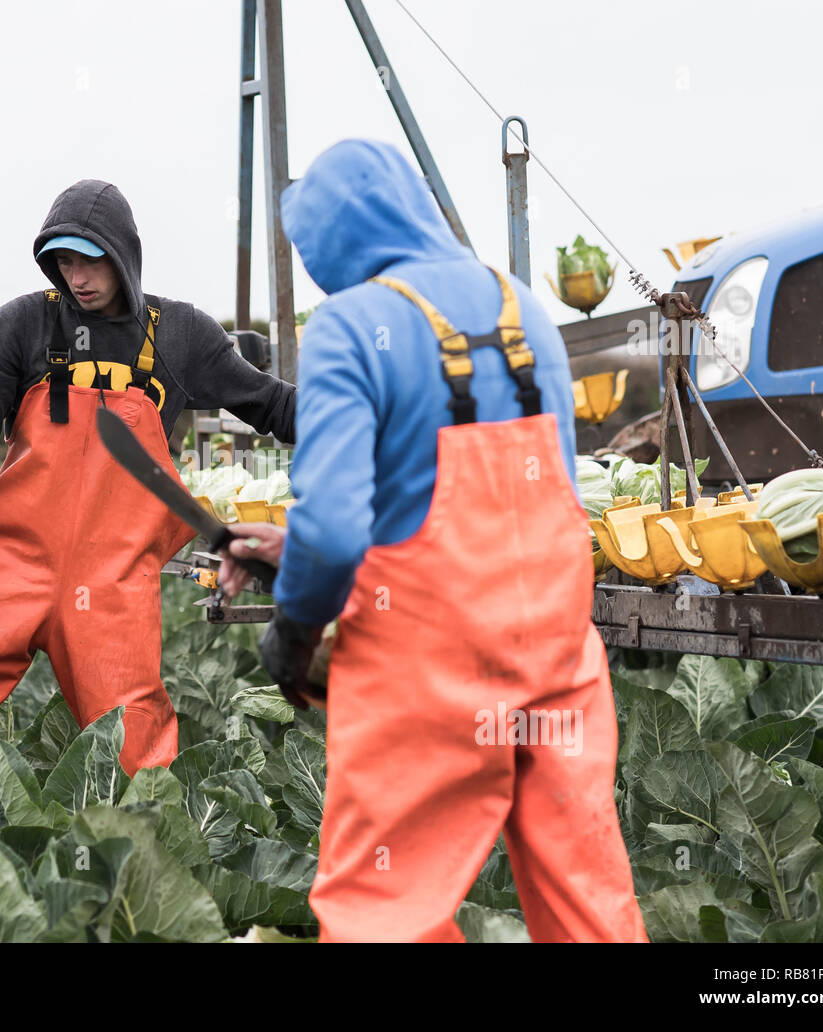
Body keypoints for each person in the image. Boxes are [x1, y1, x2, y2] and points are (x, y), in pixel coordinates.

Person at [218, 139, 647, 943]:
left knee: (386, 911)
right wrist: (292, 547)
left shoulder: (351, 325)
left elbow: (340, 526)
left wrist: (297, 625)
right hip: (557, 665)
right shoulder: (523, 306)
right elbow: (528, 502)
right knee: (587, 902)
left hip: (428, 675)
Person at [0, 179, 296, 775]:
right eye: (64, 262)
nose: (77, 277)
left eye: (91, 260)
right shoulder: (19, 326)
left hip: (113, 580)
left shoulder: (180, 334)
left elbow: (275, 407)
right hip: (9, 564)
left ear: (124, 254)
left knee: (132, 750)